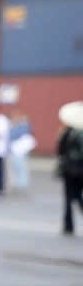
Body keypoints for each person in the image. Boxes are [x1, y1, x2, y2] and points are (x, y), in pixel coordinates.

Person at [56, 101, 83, 236]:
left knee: (71, 197)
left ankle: (68, 225)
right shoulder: (77, 133)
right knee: (76, 196)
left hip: (71, 169)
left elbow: (60, 151)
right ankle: (68, 225)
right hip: (77, 169)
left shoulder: (69, 133)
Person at [7, 111, 35, 191]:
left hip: (20, 150)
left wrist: (25, 122)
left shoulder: (22, 127)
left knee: (21, 167)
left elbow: (27, 130)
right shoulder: (12, 126)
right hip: (13, 150)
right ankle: (16, 183)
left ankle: (22, 183)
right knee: (15, 168)